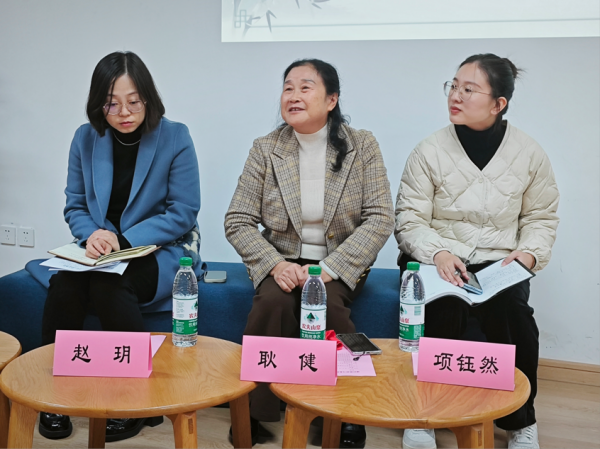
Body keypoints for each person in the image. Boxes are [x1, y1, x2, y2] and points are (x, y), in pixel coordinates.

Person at [225, 58, 395, 448]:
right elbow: (237, 220)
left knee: (330, 306)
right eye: (288, 87)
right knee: (273, 303)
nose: (294, 95)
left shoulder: (362, 145)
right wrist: (275, 264)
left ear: (331, 100)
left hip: (339, 260)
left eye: (306, 87)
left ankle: (343, 412)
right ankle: (253, 410)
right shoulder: (266, 148)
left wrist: (332, 268)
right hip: (284, 259)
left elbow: (380, 217)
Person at [395, 54, 559, 449]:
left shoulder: (529, 153)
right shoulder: (428, 150)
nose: (455, 96)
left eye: (469, 89)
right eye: (453, 86)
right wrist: (438, 253)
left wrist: (528, 255)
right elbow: (409, 218)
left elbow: (541, 217)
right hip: (438, 257)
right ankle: (423, 414)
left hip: (498, 262)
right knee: (442, 309)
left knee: (515, 316)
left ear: (498, 103)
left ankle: (520, 420)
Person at [40, 51, 203, 442]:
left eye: (134, 101)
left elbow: (183, 211)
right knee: (64, 284)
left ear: (148, 97)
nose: (124, 113)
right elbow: (75, 205)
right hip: (100, 248)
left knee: (111, 284)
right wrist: (92, 235)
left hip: (161, 248)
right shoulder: (85, 137)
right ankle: (53, 397)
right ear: (98, 103)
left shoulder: (175, 136)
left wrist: (124, 241)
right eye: (112, 104)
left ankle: (136, 402)